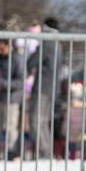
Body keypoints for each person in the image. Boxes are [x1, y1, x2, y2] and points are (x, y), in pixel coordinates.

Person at [26, 18, 62, 158]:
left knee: (36, 121)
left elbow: (31, 62)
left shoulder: (47, 43)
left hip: (42, 87)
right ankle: (46, 152)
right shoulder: (58, 44)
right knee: (44, 121)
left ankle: (44, 152)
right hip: (53, 88)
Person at [0, 37, 24, 160]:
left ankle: (11, 151)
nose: (1, 50)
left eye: (2, 47)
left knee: (11, 126)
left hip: (12, 99)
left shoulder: (16, 59)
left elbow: (21, 81)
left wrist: (4, 84)